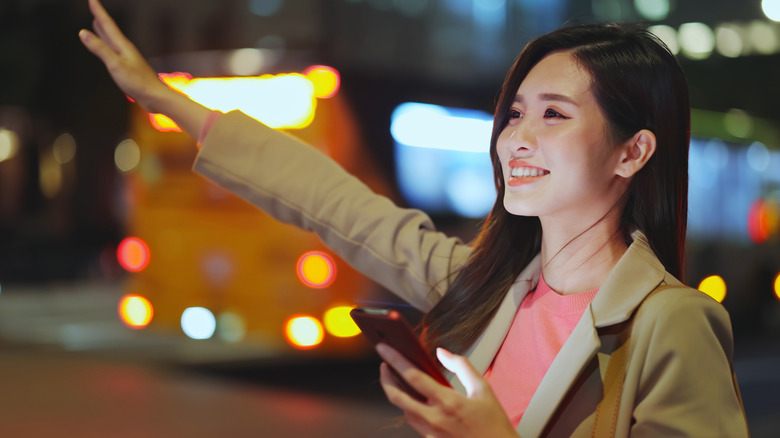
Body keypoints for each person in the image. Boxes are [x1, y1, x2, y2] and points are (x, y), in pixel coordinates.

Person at [79, 0, 749, 436]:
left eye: (554, 115)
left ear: (632, 151)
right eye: (515, 113)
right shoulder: (481, 285)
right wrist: (166, 101)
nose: (517, 138)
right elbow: (330, 202)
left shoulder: (671, 323)